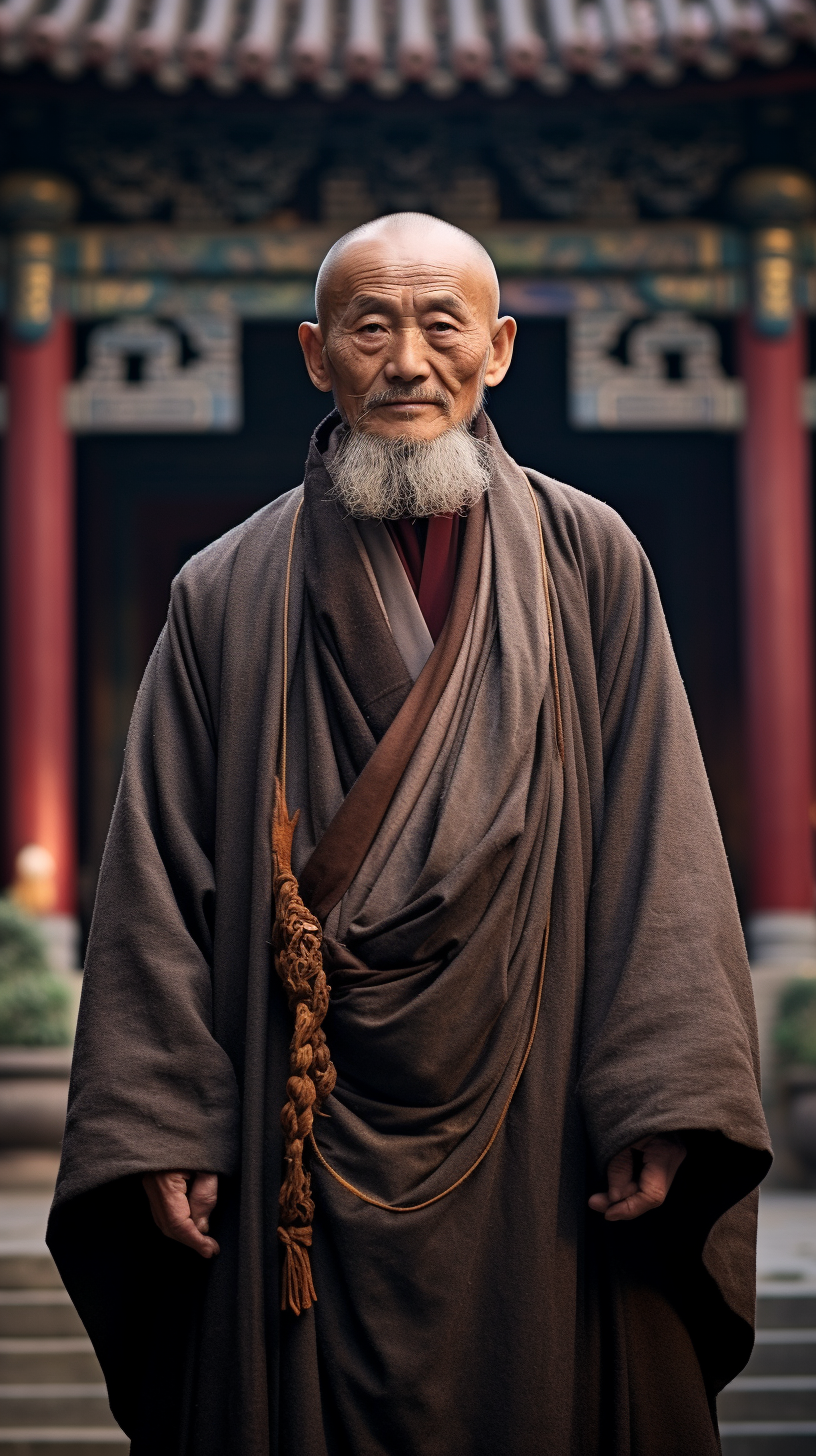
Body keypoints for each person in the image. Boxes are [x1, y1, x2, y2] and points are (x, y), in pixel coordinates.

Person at [48, 212, 771, 1456]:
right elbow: (159, 869)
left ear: (497, 349)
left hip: (539, 1115)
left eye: (442, 325)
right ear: (314, 352)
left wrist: (665, 1086)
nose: (406, 359)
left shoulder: (592, 558)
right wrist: (159, 1109)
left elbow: (665, 835)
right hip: (297, 1123)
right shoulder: (225, 589)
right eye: (369, 325)